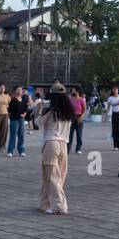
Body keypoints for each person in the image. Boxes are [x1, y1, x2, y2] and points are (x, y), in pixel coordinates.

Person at [35, 81, 74, 215]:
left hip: (51, 144)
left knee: (51, 177)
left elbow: (37, 124)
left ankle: (59, 206)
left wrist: (38, 110)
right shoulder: (68, 112)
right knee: (59, 177)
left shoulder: (50, 111)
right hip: (63, 144)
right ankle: (44, 203)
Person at [6, 85, 28, 157]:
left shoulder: (23, 100)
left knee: (21, 135)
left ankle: (21, 151)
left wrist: (24, 114)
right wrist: (11, 118)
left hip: (21, 120)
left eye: (21, 90)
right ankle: (10, 151)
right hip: (14, 120)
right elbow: (9, 111)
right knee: (13, 136)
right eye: (18, 90)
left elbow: (25, 109)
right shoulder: (13, 100)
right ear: (15, 91)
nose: (19, 91)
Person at [67, 87, 86, 154]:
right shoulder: (70, 99)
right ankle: (67, 149)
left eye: (73, 89)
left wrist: (81, 117)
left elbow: (84, 110)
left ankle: (78, 149)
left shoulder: (81, 100)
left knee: (79, 134)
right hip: (71, 117)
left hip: (79, 117)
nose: (72, 90)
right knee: (69, 135)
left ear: (77, 91)